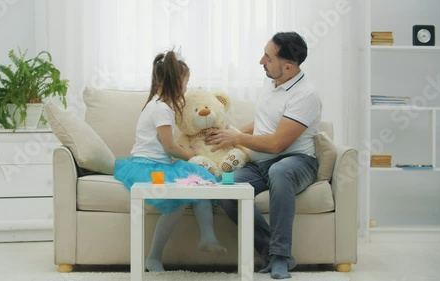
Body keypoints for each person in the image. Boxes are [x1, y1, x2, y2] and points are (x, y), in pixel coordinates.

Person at [205, 31, 321, 279]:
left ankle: (279, 257)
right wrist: (230, 130)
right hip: (260, 164)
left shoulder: (306, 95)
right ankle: (272, 251)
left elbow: (278, 144)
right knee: (226, 188)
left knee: (280, 172)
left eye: (267, 57)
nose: (261, 61)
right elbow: (262, 125)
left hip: (297, 162)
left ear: (288, 67)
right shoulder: (271, 81)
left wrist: (236, 138)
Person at [114, 50, 227, 272]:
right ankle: (153, 257)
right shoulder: (161, 109)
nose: (186, 87)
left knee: (200, 182)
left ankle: (207, 236)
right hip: (148, 167)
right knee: (176, 205)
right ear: (176, 81)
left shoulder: (158, 104)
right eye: (186, 82)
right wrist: (193, 155)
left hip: (162, 164)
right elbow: (170, 147)